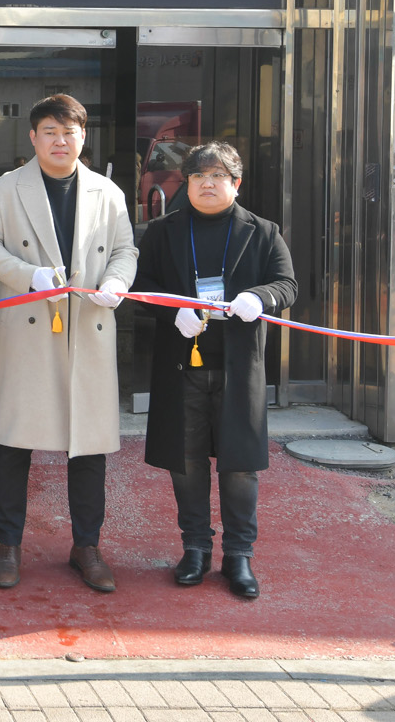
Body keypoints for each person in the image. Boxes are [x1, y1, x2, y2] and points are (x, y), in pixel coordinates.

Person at [0, 94, 137, 593]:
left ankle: (87, 546)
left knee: (88, 443)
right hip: (30, 324)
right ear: (33, 137)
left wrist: (117, 283)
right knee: (14, 440)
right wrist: (28, 275)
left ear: (83, 136)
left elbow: (125, 249)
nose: (60, 141)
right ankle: (7, 545)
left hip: (88, 325)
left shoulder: (107, 191)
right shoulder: (8, 187)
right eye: (50, 132)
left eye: (69, 132)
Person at [131, 141, 296, 600]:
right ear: (186, 183)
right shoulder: (162, 230)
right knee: (186, 462)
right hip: (181, 363)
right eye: (198, 176)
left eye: (218, 176)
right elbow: (141, 284)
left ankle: (239, 555)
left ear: (236, 183)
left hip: (238, 366)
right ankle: (196, 548)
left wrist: (260, 297)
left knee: (239, 465)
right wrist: (173, 310)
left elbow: (287, 284)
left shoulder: (263, 232)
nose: (207, 183)